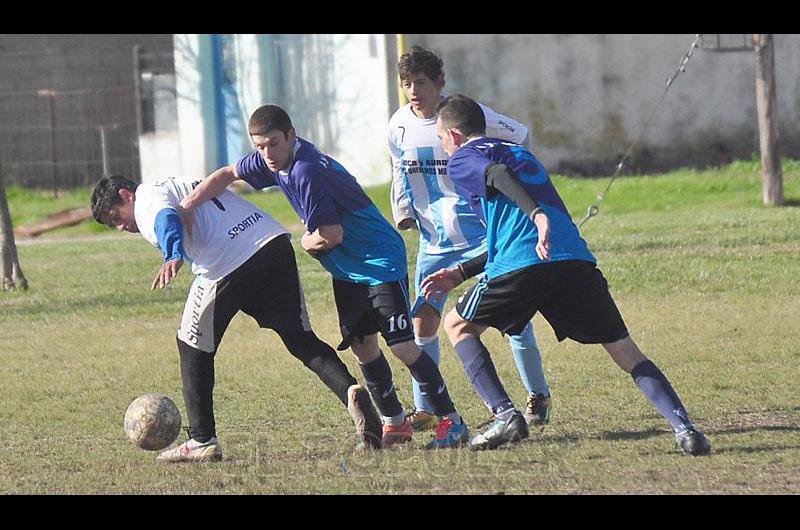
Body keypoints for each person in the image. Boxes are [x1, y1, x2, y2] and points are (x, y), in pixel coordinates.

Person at [421, 94, 711, 455]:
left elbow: (498, 178)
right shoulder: (523, 154)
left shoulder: (465, 156)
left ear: (456, 136)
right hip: (572, 258)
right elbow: (511, 226)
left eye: (442, 140)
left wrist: (535, 214)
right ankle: (685, 429)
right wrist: (462, 271)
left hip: (524, 262)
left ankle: (505, 415)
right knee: (625, 350)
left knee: (457, 326)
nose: (444, 149)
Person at [180, 105, 470, 449]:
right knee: (363, 347)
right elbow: (227, 174)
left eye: (273, 143)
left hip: (378, 260)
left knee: (403, 347)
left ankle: (452, 421)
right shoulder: (274, 159)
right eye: (259, 146)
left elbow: (330, 235)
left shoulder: (306, 171)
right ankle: (394, 423)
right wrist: (188, 206)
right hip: (347, 268)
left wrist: (304, 241)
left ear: (291, 135)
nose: (267, 154)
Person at [91, 175, 384, 462]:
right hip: (271, 240)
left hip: (228, 259)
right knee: (299, 339)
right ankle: (350, 390)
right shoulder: (170, 182)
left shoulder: (145, 199)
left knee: (192, 345)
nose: (119, 227)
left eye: (115, 217)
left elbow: (165, 217)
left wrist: (172, 253)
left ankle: (202, 439)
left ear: (127, 195)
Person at [388, 46, 552, 430]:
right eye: (407, 83)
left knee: (514, 320)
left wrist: (509, 185)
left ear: (439, 83)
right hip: (434, 242)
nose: (414, 90)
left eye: (422, 82)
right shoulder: (397, 124)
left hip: (481, 238)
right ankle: (426, 407)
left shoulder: (465, 115)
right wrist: (402, 211)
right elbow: (398, 168)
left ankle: (538, 395)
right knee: (424, 320)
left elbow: (521, 136)